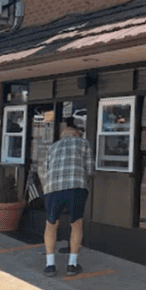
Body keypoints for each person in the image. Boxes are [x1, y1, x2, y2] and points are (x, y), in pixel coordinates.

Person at [42, 119, 94, 277]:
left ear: (63, 135)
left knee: (51, 225)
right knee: (76, 223)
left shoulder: (52, 147)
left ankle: (50, 265)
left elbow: (45, 170)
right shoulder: (83, 143)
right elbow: (90, 170)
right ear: (77, 134)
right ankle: (72, 264)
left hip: (52, 189)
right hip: (75, 187)